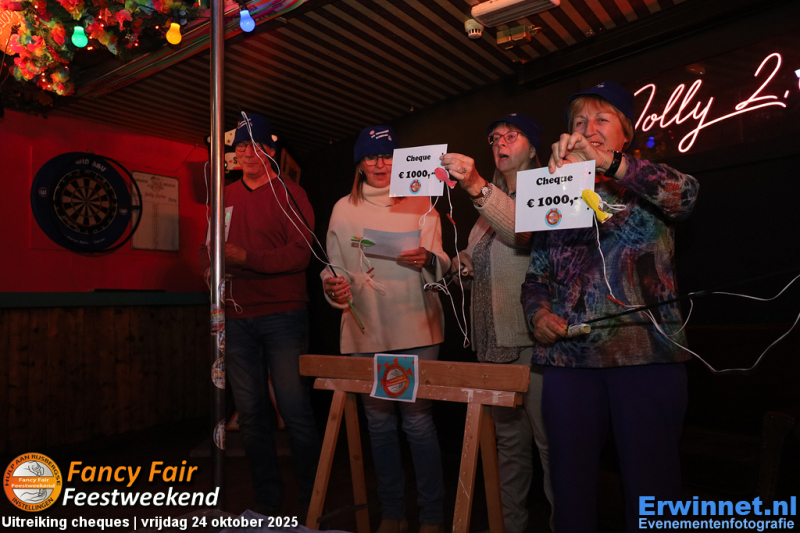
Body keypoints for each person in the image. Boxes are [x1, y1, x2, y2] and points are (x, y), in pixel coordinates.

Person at [521, 82, 699, 533]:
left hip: (646, 356)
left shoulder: (646, 182)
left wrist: (609, 164)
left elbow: (686, 196)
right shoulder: (556, 192)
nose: (588, 129)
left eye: (601, 119)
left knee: (653, 487)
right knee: (570, 489)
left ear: (626, 133)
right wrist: (538, 314)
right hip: (568, 362)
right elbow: (536, 276)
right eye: (579, 121)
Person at [322, 125, 449, 533]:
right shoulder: (343, 209)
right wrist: (333, 287)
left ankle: (431, 517)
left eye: (387, 156)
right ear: (359, 164)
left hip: (416, 327)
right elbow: (333, 269)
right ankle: (392, 514)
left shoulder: (421, 199)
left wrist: (428, 258)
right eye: (371, 157)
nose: (380, 164)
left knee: (417, 423)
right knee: (378, 425)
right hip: (367, 330)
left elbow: (442, 261)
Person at [198, 113, 321, 516]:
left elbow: (300, 254)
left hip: (283, 315)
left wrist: (247, 258)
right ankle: (267, 500)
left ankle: (312, 499)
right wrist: (207, 270)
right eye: (240, 147)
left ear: (271, 150)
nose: (247, 154)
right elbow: (206, 248)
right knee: (250, 414)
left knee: (294, 409)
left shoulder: (291, 194)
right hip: (234, 317)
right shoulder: (224, 196)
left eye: (255, 146)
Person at [439, 113, 554, 533]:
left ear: (534, 147)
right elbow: (480, 262)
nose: (500, 142)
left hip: (531, 344)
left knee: (550, 446)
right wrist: (454, 265)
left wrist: (475, 185)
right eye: (494, 138)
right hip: (493, 346)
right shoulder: (487, 207)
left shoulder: (547, 191)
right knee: (509, 447)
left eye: (511, 135)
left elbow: (524, 232)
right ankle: (510, 527)